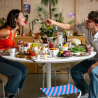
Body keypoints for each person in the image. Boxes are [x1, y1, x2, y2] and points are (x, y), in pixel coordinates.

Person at [45, 11, 98, 98]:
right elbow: (69, 26)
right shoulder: (86, 27)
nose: (86, 22)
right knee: (75, 70)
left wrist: (94, 65)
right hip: (92, 59)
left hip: (97, 63)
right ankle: (86, 92)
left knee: (94, 72)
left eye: (89, 21)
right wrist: (53, 22)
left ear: (96, 25)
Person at [0, 9, 28, 98]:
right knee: (17, 73)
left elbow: (6, 45)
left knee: (24, 69)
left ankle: (11, 92)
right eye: (22, 16)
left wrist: (17, 48)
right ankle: (8, 95)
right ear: (16, 19)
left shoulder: (14, 31)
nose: (24, 18)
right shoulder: (7, 31)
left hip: (4, 57)